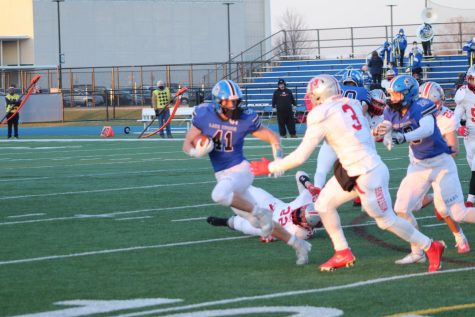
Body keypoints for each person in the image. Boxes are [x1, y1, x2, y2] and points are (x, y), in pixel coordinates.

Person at [251, 74, 445, 273]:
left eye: (311, 95)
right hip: (355, 169)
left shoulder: (321, 114)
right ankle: (342, 251)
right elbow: (360, 136)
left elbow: (301, 156)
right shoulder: (351, 102)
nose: (308, 99)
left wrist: (270, 167)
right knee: (323, 204)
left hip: (368, 173)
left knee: (386, 221)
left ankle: (431, 245)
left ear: (319, 94)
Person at [182, 79, 311, 265]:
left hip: (241, 170)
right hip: (223, 175)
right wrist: (196, 151)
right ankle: (299, 245)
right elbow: (187, 143)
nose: (234, 105)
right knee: (257, 224)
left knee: (218, 195)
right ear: (218, 102)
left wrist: (279, 157)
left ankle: (260, 211)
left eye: (236, 101)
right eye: (229, 101)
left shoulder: (244, 118)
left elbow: (272, 136)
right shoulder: (204, 114)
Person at [375, 74, 475, 264]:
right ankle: (418, 251)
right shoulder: (392, 109)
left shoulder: (423, 105)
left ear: (407, 94)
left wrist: (403, 137)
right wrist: (382, 131)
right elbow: (387, 125)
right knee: (401, 208)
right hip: (419, 166)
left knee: (457, 213)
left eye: (396, 94)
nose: (392, 98)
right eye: (391, 94)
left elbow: (428, 129)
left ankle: (458, 237)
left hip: (441, 164)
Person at [206, 171, 321, 241]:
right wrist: (308, 185)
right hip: (270, 203)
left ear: (307, 225)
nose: (298, 213)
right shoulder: (307, 200)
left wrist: (270, 236)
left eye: (301, 217)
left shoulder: (300, 232)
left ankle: (226, 222)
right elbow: (300, 174)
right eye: (301, 211)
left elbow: (281, 235)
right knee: (239, 188)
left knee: (244, 225)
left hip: (269, 224)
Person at [454, 65, 475, 208]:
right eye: (472, 79)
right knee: (471, 161)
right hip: (470, 134)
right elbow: (455, 116)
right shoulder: (463, 94)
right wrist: (458, 128)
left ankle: (470, 199)